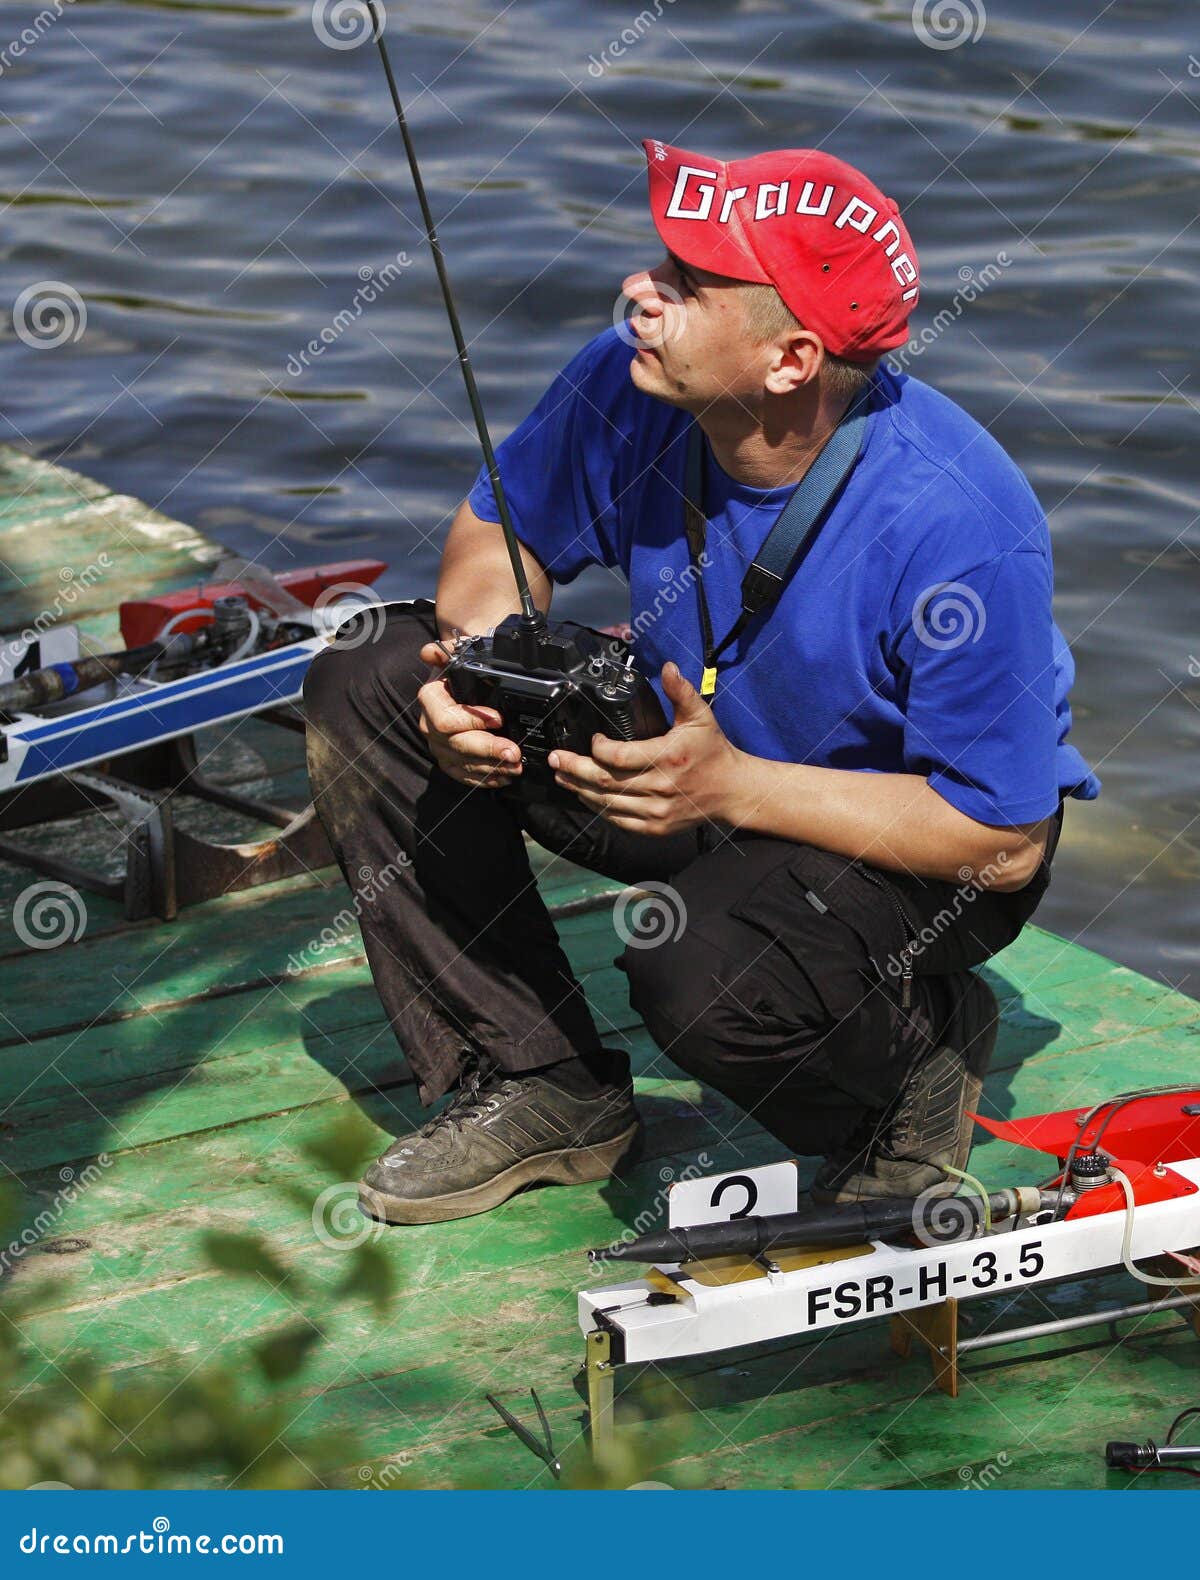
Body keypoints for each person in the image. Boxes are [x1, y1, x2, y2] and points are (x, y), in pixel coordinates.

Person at [303, 140, 1098, 1226]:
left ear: (789, 361)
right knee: (376, 671)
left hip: (900, 844)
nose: (642, 290)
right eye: (658, 263)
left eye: (687, 283)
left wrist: (732, 789)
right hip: (694, 752)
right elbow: (500, 530)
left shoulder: (962, 521)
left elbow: (1003, 840)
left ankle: (913, 1068)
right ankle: (540, 1079)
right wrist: (477, 669)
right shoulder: (625, 381)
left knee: (695, 968)